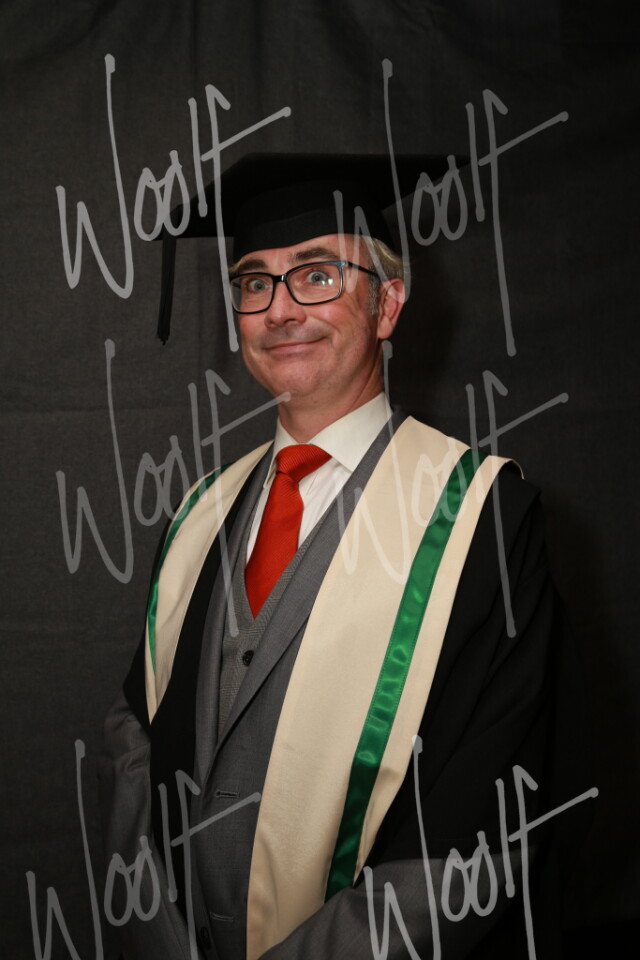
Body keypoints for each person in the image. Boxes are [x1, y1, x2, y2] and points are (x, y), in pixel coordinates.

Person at [99, 154, 589, 960]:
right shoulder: (199, 514)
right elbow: (134, 742)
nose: (280, 309)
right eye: (254, 282)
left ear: (387, 304)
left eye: (317, 275)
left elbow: (479, 827)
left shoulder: (481, 520)